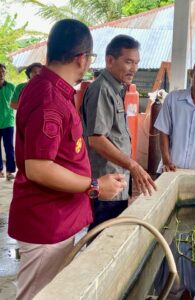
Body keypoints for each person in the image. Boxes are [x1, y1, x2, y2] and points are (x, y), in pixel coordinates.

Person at [8, 19, 127, 300]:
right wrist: (95, 185)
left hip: (57, 219)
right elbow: (39, 168)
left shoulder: (53, 90)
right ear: (82, 58)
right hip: (46, 222)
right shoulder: (48, 97)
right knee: (38, 295)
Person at [81, 35, 157, 233]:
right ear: (110, 60)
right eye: (128, 62)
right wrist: (133, 166)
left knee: (110, 233)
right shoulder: (102, 90)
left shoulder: (116, 89)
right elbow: (96, 139)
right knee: (100, 237)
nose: (134, 68)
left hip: (116, 181)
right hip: (105, 184)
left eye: (136, 63)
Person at [0, 63, 16, 180]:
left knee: (9, 147)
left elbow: (16, 102)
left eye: (3, 72)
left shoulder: (11, 86)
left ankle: (10, 171)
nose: (1, 74)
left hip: (8, 122)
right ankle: (0, 170)